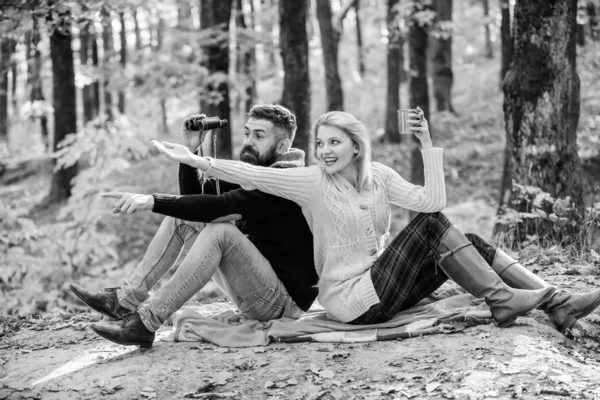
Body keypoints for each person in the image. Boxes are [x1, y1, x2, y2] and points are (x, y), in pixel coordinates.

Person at [152, 109, 600, 332]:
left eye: (334, 143)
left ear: (356, 147)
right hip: (351, 300)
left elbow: (431, 200)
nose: (325, 151)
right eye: (320, 143)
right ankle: (504, 299)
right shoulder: (310, 181)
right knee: (432, 227)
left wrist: (427, 143)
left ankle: (555, 302)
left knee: (471, 237)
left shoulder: (380, 177)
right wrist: (196, 159)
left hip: (384, 284)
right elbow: (246, 172)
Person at [71, 105, 318, 348]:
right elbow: (194, 200)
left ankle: (145, 322)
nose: (248, 141)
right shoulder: (255, 172)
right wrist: (191, 151)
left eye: (259, 135)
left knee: (222, 232)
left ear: (283, 146)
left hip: (282, 303)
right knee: (181, 217)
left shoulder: (286, 181)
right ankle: (124, 300)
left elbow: (221, 207)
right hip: (256, 288)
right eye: (247, 133)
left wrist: (151, 201)